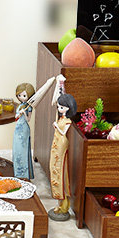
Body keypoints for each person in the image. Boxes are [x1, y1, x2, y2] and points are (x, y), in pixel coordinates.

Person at [12, 76, 56, 179]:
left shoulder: (29, 107)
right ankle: (16, 171)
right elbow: (16, 117)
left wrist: (24, 113)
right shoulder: (20, 106)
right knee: (16, 149)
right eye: (19, 95)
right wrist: (19, 113)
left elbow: (28, 119)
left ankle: (23, 174)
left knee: (22, 149)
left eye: (24, 95)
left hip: (24, 128)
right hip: (18, 128)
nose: (21, 97)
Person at [48, 92, 77, 221]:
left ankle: (63, 204)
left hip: (61, 143)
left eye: (61, 107)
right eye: (59, 106)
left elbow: (63, 133)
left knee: (59, 168)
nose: (59, 109)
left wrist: (56, 127)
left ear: (68, 108)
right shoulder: (61, 119)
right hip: (56, 143)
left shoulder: (67, 121)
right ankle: (59, 203)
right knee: (54, 166)